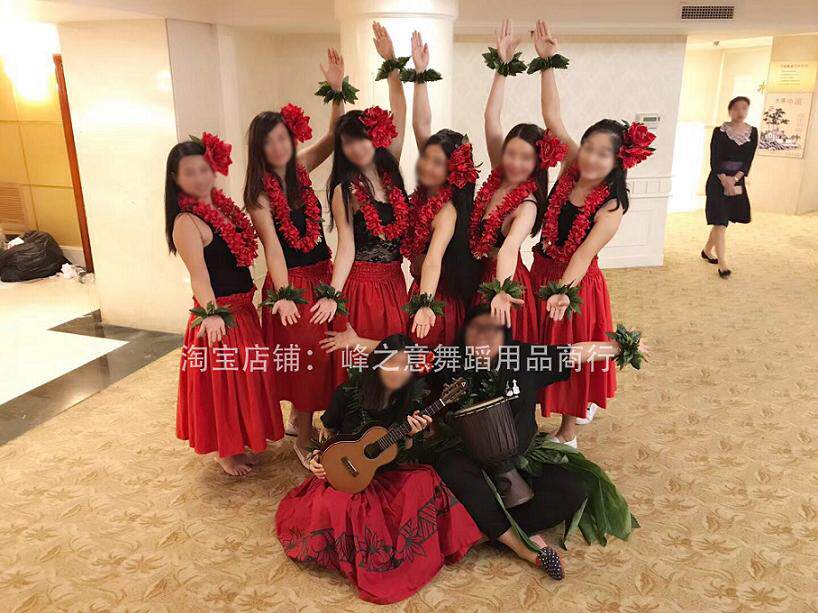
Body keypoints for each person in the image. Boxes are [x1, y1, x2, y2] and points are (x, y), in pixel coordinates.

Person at [320, 305, 643, 581]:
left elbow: (577, 352)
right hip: (467, 461)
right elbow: (400, 356)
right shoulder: (450, 360)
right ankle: (521, 542)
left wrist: (621, 347)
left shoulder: (527, 356)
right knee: (450, 470)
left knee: (574, 489)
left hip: (523, 459)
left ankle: (490, 529)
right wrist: (356, 342)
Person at [275, 335, 482, 605]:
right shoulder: (347, 393)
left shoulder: (410, 402)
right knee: (347, 508)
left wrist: (412, 436)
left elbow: (407, 454)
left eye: (405, 366)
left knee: (423, 480)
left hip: (386, 473)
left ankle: (415, 558)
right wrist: (318, 458)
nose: (398, 372)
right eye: (391, 364)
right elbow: (329, 435)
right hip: (346, 472)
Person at [531, 18, 655, 446]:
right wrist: (547, 62)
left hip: (576, 284)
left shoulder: (612, 205)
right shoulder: (570, 166)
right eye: (588, 147)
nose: (592, 157)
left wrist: (562, 293)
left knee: (571, 353)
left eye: (604, 153)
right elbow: (551, 116)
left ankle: (568, 431)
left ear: (618, 161)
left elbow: (582, 255)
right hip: (542, 271)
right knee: (539, 349)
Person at [244, 49, 346, 468]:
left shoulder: (301, 168)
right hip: (292, 283)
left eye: (282, 137)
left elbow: (334, 137)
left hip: (322, 274)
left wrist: (337, 91)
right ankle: (303, 439)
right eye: (269, 141)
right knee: (307, 361)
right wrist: (284, 295)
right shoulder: (259, 194)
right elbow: (273, 248)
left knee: (324, 357)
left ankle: (300, 421)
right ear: (259, 149)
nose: (278, 146)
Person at [166, 134, 283, 476]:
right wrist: (212, 314)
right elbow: (199, 277)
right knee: (225, 386)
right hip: (220, 316)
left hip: (244, 310)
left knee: (245, 381)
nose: (200, 178)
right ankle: (225, 451)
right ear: (175, 179)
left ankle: (243, 441)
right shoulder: (186, 222)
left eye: (204, 169)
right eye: (190, 172)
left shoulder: (224, 208)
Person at [317, 22, 410, 370]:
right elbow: (345, 246)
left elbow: (400, 111)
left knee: (395, 363)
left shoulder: (391, 169)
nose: (355, 147)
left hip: (394, 283)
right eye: (347, 143)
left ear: (375, 137)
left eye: (360, 138)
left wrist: (391, 63)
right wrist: (333, 294)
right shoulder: (346, 189)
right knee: (362, 368)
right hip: (361, 287)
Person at [472, 19, 559, 343]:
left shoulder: (528, 204)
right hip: (479, 277)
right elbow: (490, 118)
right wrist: (502, 66)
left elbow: (509, 249)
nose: (515, 163)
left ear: (537, 163)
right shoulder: (499, 176)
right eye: (511, 153)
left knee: (502, 362)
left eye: (525, 158)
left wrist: (501, 290)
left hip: (506, 286)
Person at [403, 30, 482, 347]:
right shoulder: (429, 193)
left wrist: (425, 305)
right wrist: (420, 74)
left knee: (429, 366)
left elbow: (434, 260)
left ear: (453, 171)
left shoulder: (446, 210)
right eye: (426, 158)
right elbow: (420, 126)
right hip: (421, 291)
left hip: (437, 301)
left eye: (437, 162)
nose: (427, 166)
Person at [702, 95, 757, 278]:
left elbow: (748, 160)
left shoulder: (753, 132)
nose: (740, 112)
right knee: (720, 220)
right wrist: (724, 178)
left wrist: (735, 179)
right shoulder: (720, 131)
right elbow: (714, 158)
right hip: (718, 180)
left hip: (737, 181)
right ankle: (723, 264)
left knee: (723, 220)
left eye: (744, 108)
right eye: (736, 108)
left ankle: (707, 250)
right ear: (730, 110)